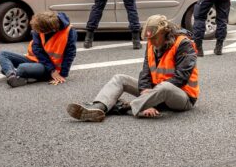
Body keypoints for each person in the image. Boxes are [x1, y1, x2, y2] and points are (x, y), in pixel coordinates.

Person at [66, 14, 198, 122]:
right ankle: (99, 107)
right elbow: (146, 71)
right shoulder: (152, 43)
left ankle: (129, 107)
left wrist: (149, 99)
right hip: (154, 92)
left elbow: (181, 78)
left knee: (165, 87)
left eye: (154, 38)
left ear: (165, 32)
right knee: (120, 78)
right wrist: (146, 90)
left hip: (181, 97)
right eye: (149, 39)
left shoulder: (184, 44)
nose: (150, 42)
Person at [0, 10, 76, 87]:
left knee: (22, 68)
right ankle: (12, 76)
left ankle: (12, 71)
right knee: (3, 54)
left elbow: (70, 54)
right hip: (35, 60)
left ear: (50, 30)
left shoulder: (69, 32)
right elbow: (37, 50)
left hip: (51, 68)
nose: (35, 32)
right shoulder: (38, 28)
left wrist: (60, 74)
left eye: (39, 31)